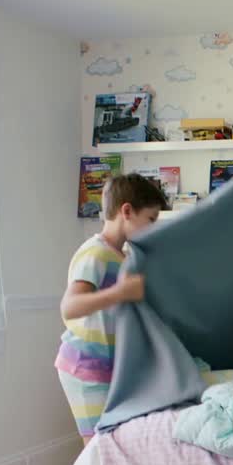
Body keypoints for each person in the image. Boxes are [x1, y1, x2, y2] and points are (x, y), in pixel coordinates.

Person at [55, 173, 164, 444]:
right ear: (126, 211)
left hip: (107, 366)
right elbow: (70, 307)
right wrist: (120, 292)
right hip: (84, 367)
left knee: (114, 442)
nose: (153, 228)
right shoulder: (95, 253)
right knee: (97, 447)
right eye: (150, 220)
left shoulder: (123, 257)